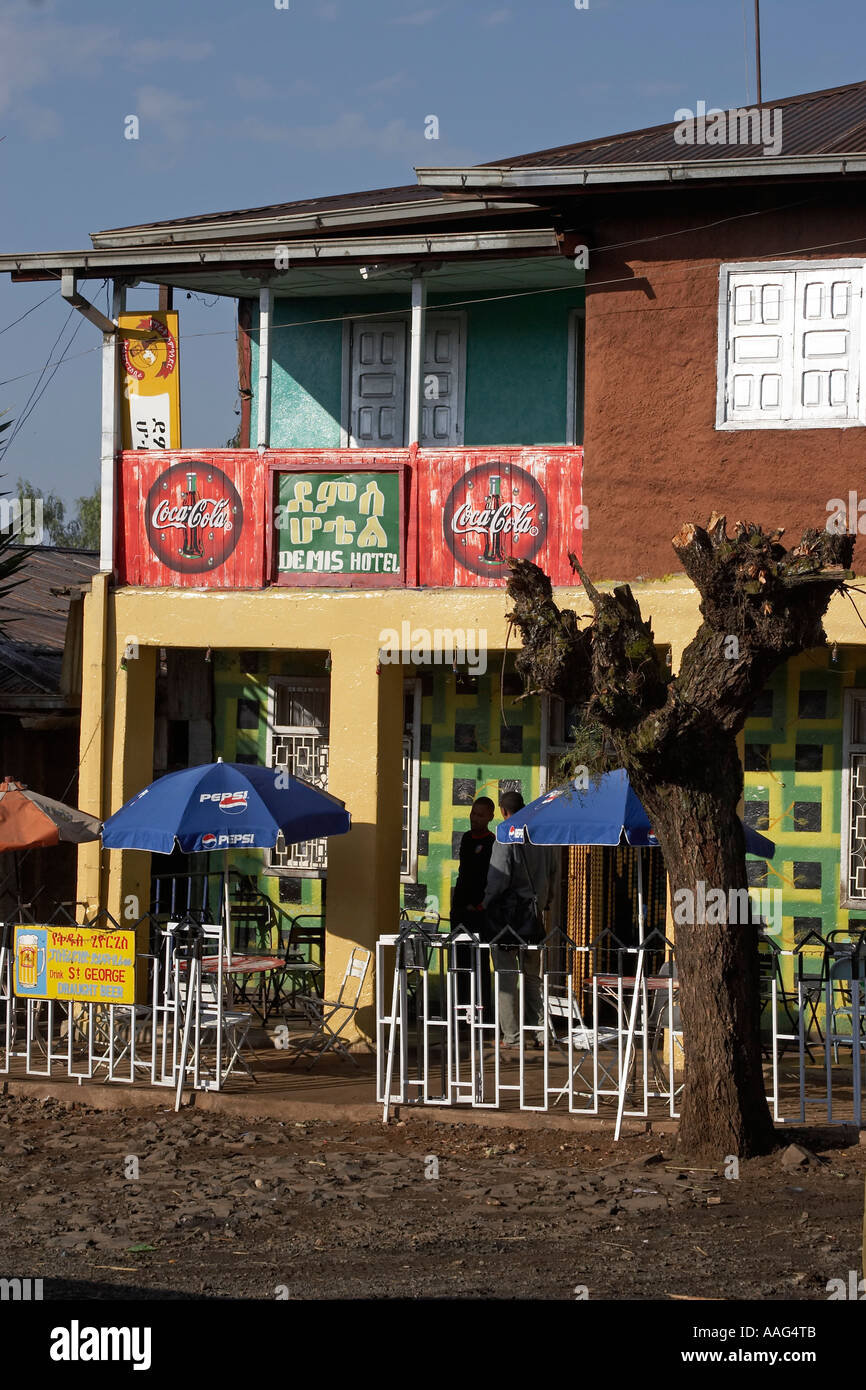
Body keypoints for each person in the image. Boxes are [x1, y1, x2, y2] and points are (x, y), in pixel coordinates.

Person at [482, 790, 555, 1053]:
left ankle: (512, 1036)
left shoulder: (505, 833)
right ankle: (540, 1033)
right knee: (533, 977)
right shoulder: (541, 835)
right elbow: (553, 874)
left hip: (509, 920)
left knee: (506, 977)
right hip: (534, 919)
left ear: (503, 811)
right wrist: (544, 902)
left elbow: (498, 878)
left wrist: (486, 903)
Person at [450, 796, 495, 1012]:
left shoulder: (492, 842)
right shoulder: (467, 839)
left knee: (479, 961)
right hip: (460, 911)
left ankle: (482, 1008)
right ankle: (459, 1008)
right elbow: (463, 873)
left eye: (480, 815)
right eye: (472, 813)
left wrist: (480, 905)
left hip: (480, 913)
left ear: (490, 817)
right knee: (459, 960)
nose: (474, 818)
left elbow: (489, 878)